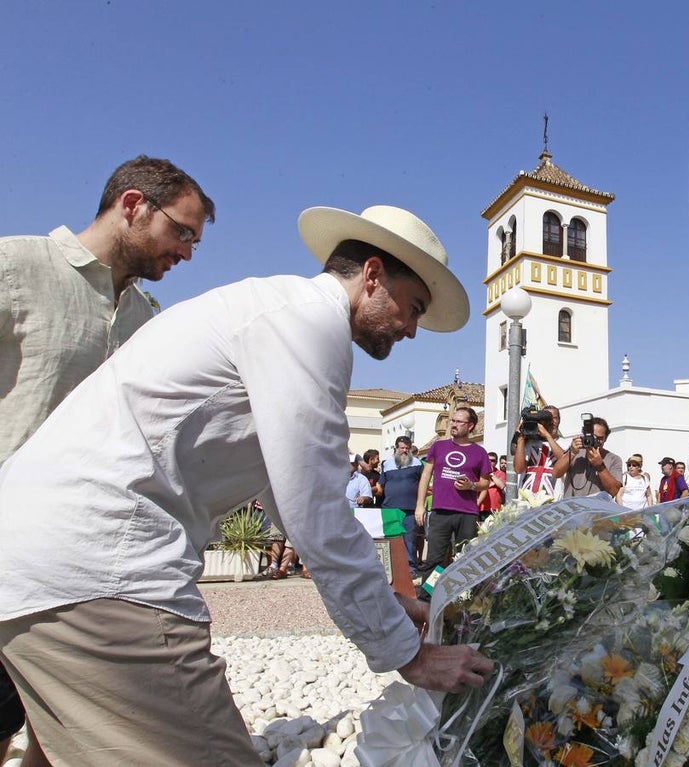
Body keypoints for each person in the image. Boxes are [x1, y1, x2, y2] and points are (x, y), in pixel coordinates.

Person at [0, 203, 493, 765]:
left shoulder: (272, 306)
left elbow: (282, 496)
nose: (410, 329)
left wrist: (383, 599)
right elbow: (316, 511)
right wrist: (409, 656)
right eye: (413, 309)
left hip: (36, 553)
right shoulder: (308, 324)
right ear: (373, 275)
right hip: (98, 564)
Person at [0, 154, 214, 766]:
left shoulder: (152, 323)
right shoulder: (17, 266)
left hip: (81, 561)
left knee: (67, 727)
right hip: (3, 543)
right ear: (132, 205)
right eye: (184, 231)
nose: (189, 253)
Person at [414, 406, 492, 589]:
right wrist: (419, 505)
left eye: (459, 422)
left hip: (467, 513)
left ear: (470, 425)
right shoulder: (438, 447)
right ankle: (428, 600)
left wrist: (471, 485)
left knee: (465, 559)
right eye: (453, 421)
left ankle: (463, 601)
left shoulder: (479, 452)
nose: (453, 425)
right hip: (440, 512)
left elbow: (485, 483)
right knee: (435, 560)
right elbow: (425, 476)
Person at [380, 436, 424, 575]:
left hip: (410, 509)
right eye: (401, 448)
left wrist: (420, 506)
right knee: (391, 538)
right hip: (390, 508)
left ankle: (410, 568)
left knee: (409, 540)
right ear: (396, 448)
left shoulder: (418, 464)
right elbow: (381, 484)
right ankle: (391, 568)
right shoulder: (386, 463)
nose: (404, 451)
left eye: (407, 448)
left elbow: (423, 484)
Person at [553, 416, 623, 498]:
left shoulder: (614, 459)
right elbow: (556, 473)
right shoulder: (576, 452)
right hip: (572, 507)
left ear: (605, 438)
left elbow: (614, 491)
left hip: (597, 509)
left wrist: (600, 466)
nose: (596, 441)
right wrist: (572, 453)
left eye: (600, 438)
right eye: (593, 437)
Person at [512, 404, 566, 496]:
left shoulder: (566, 443)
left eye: (554, 418)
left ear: (559, 420)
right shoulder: (529, 442)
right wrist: (520, 439)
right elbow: (518, 469)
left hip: (554, 499)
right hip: (527, 498)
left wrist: (547, 435)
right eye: (547, 418)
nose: (551, 422)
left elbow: (564, 460)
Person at [478, 451, 506, 519]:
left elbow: (502, 486)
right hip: (481, 508)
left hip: (495, 509)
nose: (490, 462)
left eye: (492, 460)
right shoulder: (480, 473)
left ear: (496, 462)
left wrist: (490, 473)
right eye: (488, 460)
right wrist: (493, 483)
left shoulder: (501, 473)